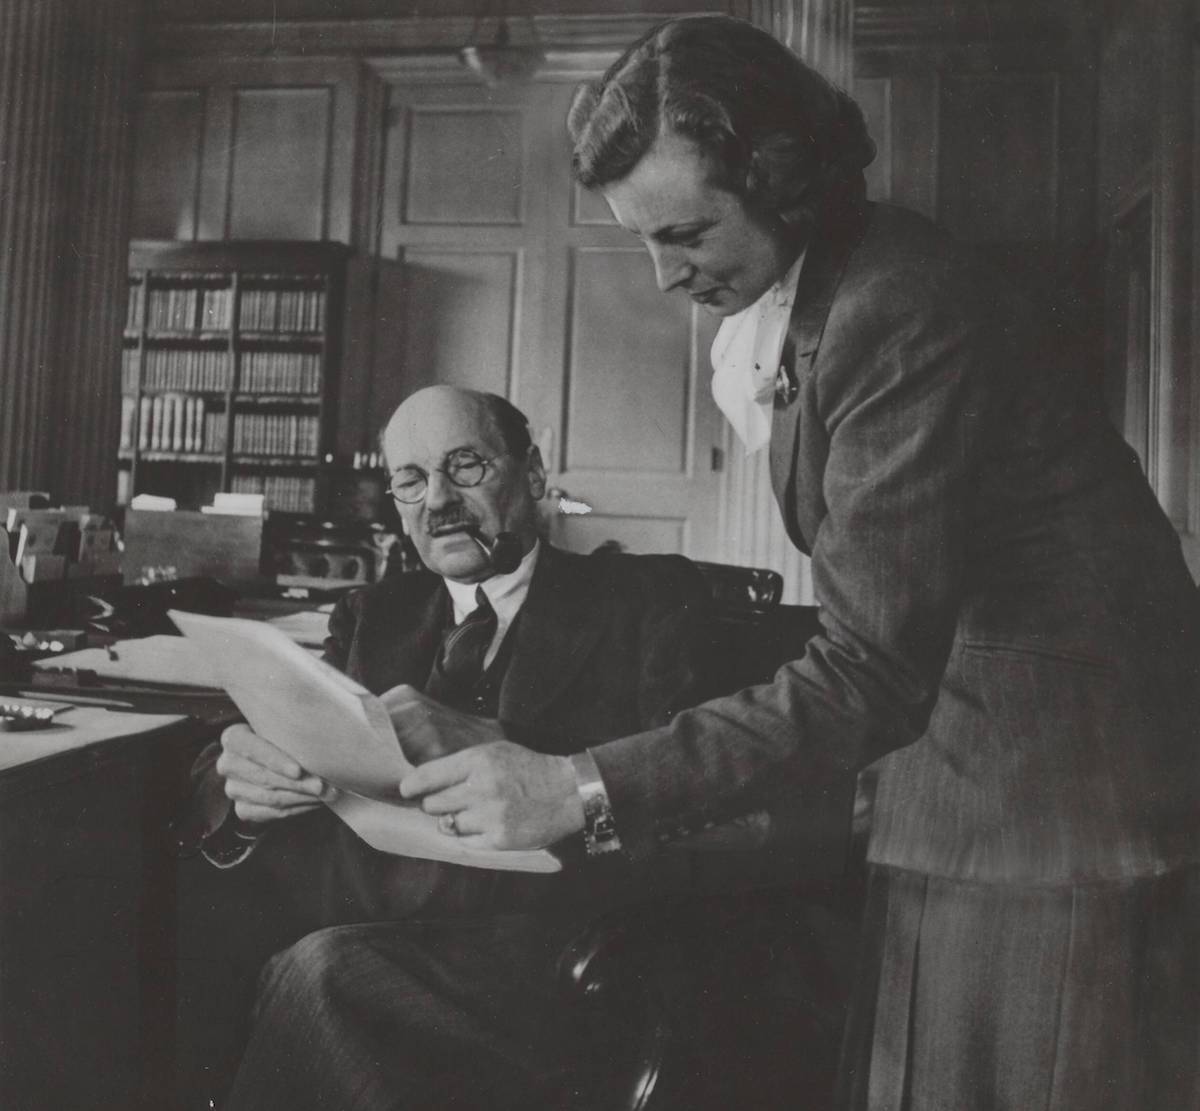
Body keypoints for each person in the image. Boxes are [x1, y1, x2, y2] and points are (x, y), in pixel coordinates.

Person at [227, 16, 1200, 1111]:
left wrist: (575, 786)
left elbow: (870, 666)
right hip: (968, 768)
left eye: (685, 233)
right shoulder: (831, 294)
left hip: (1056, 792)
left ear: (786, 184)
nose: (660, 277)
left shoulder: (896, 304)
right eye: (642, 239)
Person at [178, 385, 735, 1109]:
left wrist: (525, 752)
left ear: (532, 476)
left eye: (465, 466)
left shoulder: (643, 597)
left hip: (550, 955)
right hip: (372, 927)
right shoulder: (375, 611)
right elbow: (238, 765)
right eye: (410, 479)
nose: (436, 499)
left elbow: (701, 802)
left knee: (323, 977)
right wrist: (246, 789)